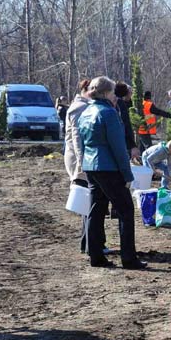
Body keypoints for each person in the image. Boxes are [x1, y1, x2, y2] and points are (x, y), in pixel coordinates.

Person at [78, 76, 147, 270]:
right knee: (125, 210)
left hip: (92, 167)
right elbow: (117, 147)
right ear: (107, 93)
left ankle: (96, 255)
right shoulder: (108, 114)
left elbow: (82, 143)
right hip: (109, 167)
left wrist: (85, 164)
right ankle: (129, 258)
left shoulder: (86, 111)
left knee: (96, 210)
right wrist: (127, 175)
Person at [64, 79, 93, 253]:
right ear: (84, 90)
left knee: (88, 203)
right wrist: (82, 164)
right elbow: (76, 139)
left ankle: (88, 243)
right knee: (86, 203)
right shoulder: (79, 107)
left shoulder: (84, 105)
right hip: (78, 161)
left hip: (81, 160)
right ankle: (88, 244)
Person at [113, 82, 140, 161]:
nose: (131, 95)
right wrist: (132, 145)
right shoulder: (120, 104)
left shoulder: (126, 103)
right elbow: (126, 125)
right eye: (130, 93)